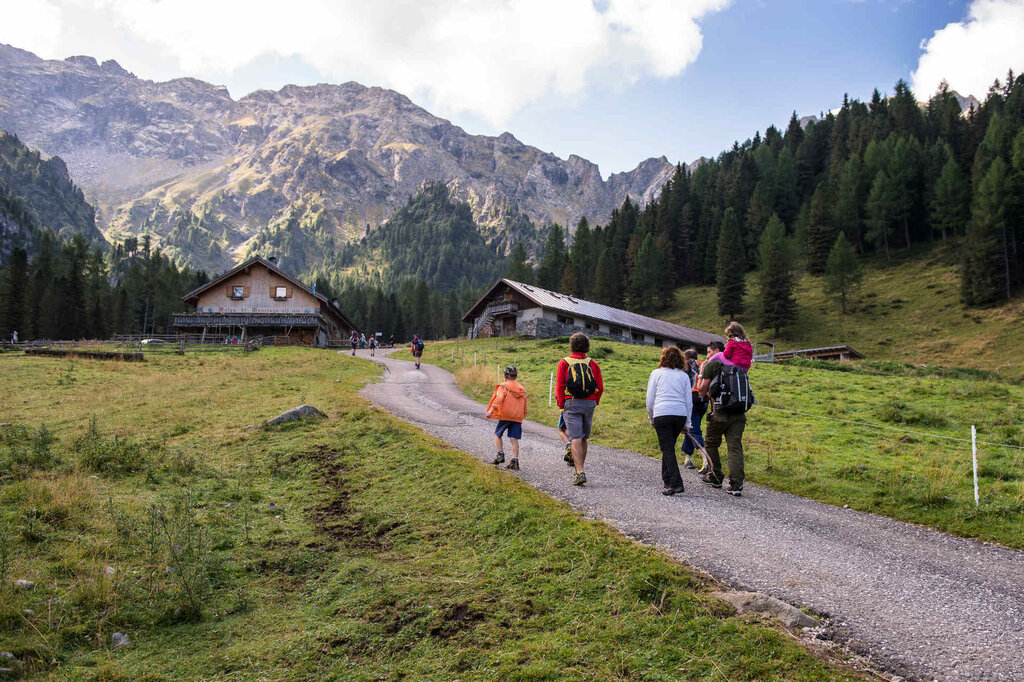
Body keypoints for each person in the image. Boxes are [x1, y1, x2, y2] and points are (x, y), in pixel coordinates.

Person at [696, 341, 746, 497]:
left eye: (709, 352)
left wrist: (702, 371)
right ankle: (736, 484)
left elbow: (701, 391)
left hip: (719, 412)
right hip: (738, 412)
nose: (707, 356)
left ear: (717, 351)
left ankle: (715, 476)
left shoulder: (712, 365)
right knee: (735, 447)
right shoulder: (737, 365)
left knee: (711, 443)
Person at [555, 333, 604, 486]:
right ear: (587, 346)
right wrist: (595, 401)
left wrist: (561, 406)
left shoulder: (564, 362)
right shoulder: (592, 363)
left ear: (571, 345)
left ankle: (580, 471)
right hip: (589, 403)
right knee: (583, 438)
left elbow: (560, 387)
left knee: (575, 437)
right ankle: (580, 468)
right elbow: (600, 387)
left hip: (572, 402)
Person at [646, 346, 693, 495]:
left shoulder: (656, 373)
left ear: (663, 358)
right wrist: (687, 423)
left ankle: (676, 483)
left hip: (662, 413)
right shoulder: (684, 376)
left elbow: (650, 399)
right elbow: (689, 401)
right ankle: (667, 480)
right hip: (680, 414)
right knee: (668, 447)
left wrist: (651, 417)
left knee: (667, 448)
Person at [485, 365, 527, 470]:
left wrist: (491, 410)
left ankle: (500, 455)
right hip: (517, 416)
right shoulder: (521, 388)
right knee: (514, 438)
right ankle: (514, 461)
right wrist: (523, 414)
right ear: (515, 376)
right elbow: (525, 404)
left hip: (506, 415)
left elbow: (499, 399)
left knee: (497, 434)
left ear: (504, 375)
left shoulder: (503, 386)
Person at [681, 347, 707, 470]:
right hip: (704, 400)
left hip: (691, 400)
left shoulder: (685, 366)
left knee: (694, 431)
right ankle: (688, 458)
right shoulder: (703, 365)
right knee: (691, 427)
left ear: (685, 357)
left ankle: (706, 459)